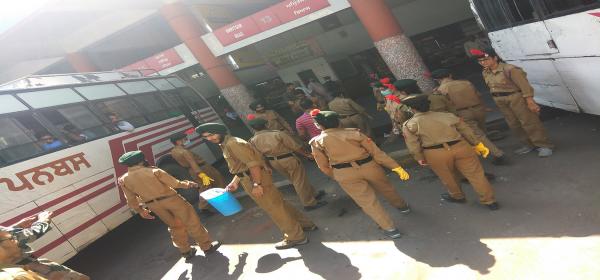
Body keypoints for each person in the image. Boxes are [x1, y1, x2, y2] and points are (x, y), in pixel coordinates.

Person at [196, 123, 316, 249]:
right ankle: (306, 224)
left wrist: (257, 184)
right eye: (206, 137)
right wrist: (235, 182)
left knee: (274, 209)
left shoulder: (233, 143)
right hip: (250, 177)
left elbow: (253, 165)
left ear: (219, 131)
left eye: (211, 135)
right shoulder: (227, 143)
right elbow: (242, 166)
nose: (210, 138)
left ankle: (295, 237)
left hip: (254, 179)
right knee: (280, 204)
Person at [309, 110, 411, 239]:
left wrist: (338, 176)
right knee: (387, 189)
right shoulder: (354, 133)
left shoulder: (317, 142)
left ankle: (390, 229)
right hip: (369, 166)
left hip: (344, 172)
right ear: (338, 121)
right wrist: (396, 168)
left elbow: (323, 166)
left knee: (367, 202)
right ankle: (402, 207)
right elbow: (377, 153)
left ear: (318, 125)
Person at [401, 94, 499, 210]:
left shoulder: (410, 124)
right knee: (476, 175)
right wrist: (476, 144)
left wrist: (419, 158)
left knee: (448, 177)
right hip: (460, 146)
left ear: (411, 108)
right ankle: (490, 201)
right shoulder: (448, 116)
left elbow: (413, 145)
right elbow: (467, 131)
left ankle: (457, 196)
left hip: (435, 153)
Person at [117, 151, 221, 259]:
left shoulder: (124, 179)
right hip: (171, 200)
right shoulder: (154, 171)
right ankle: (207, 247)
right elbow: (175, 183)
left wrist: (140, 210)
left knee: (174, 227)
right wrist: (189, 184)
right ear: (141, 161)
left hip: (153, 206)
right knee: (191, 222)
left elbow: (130, 198)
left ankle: (186, 251)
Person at [471, 48, 554, 157]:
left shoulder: (510, 69)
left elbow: (524, 86)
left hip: (516, 97)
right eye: (480, 61)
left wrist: (530, 101)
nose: (483, 62)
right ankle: (528, 144)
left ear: (495, 58)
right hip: (500, 100)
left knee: (529, 122)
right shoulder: (486, 72)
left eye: (486, 59)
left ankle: (544, 145)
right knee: (513, 124)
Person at [247, 116, 327, 210]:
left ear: (253, 128)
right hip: (288, 159)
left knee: (296, 180)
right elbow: (295, 147)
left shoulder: (253, 140)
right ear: (266, 124)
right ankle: (309, 203)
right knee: (299, 181)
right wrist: (307, 155)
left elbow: (259, 156)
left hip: (273, 162)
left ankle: (314, 194)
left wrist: (266, 166)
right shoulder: (277, 134)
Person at [431, 68, 507, 165]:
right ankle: (487, 149)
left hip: (463, 113)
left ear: (437, 80)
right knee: (482, 131)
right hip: (479, 109)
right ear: (450, 75)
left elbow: (444, 105)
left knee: (479, 135)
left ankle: (498, 154)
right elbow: (478, 95)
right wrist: (484, 107)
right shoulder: (466, 83)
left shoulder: (441, 90)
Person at [0, 211, 90, 279]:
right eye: (12, 239)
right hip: (30, 269)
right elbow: (31, 234)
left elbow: (7, 236)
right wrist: (44, 220)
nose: (14, 241)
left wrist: (17, 227)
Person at [169, 132, 226, 213]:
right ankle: (220, 201)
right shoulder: (184, 151)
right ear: (178, 141)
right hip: (201, 169)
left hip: (192, 170)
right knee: (217, 181)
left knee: (204, 187)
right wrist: (202, 175)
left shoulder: (174, 151)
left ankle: (205, 206)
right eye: (184, 139)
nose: (186, 140)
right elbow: (193, 163)